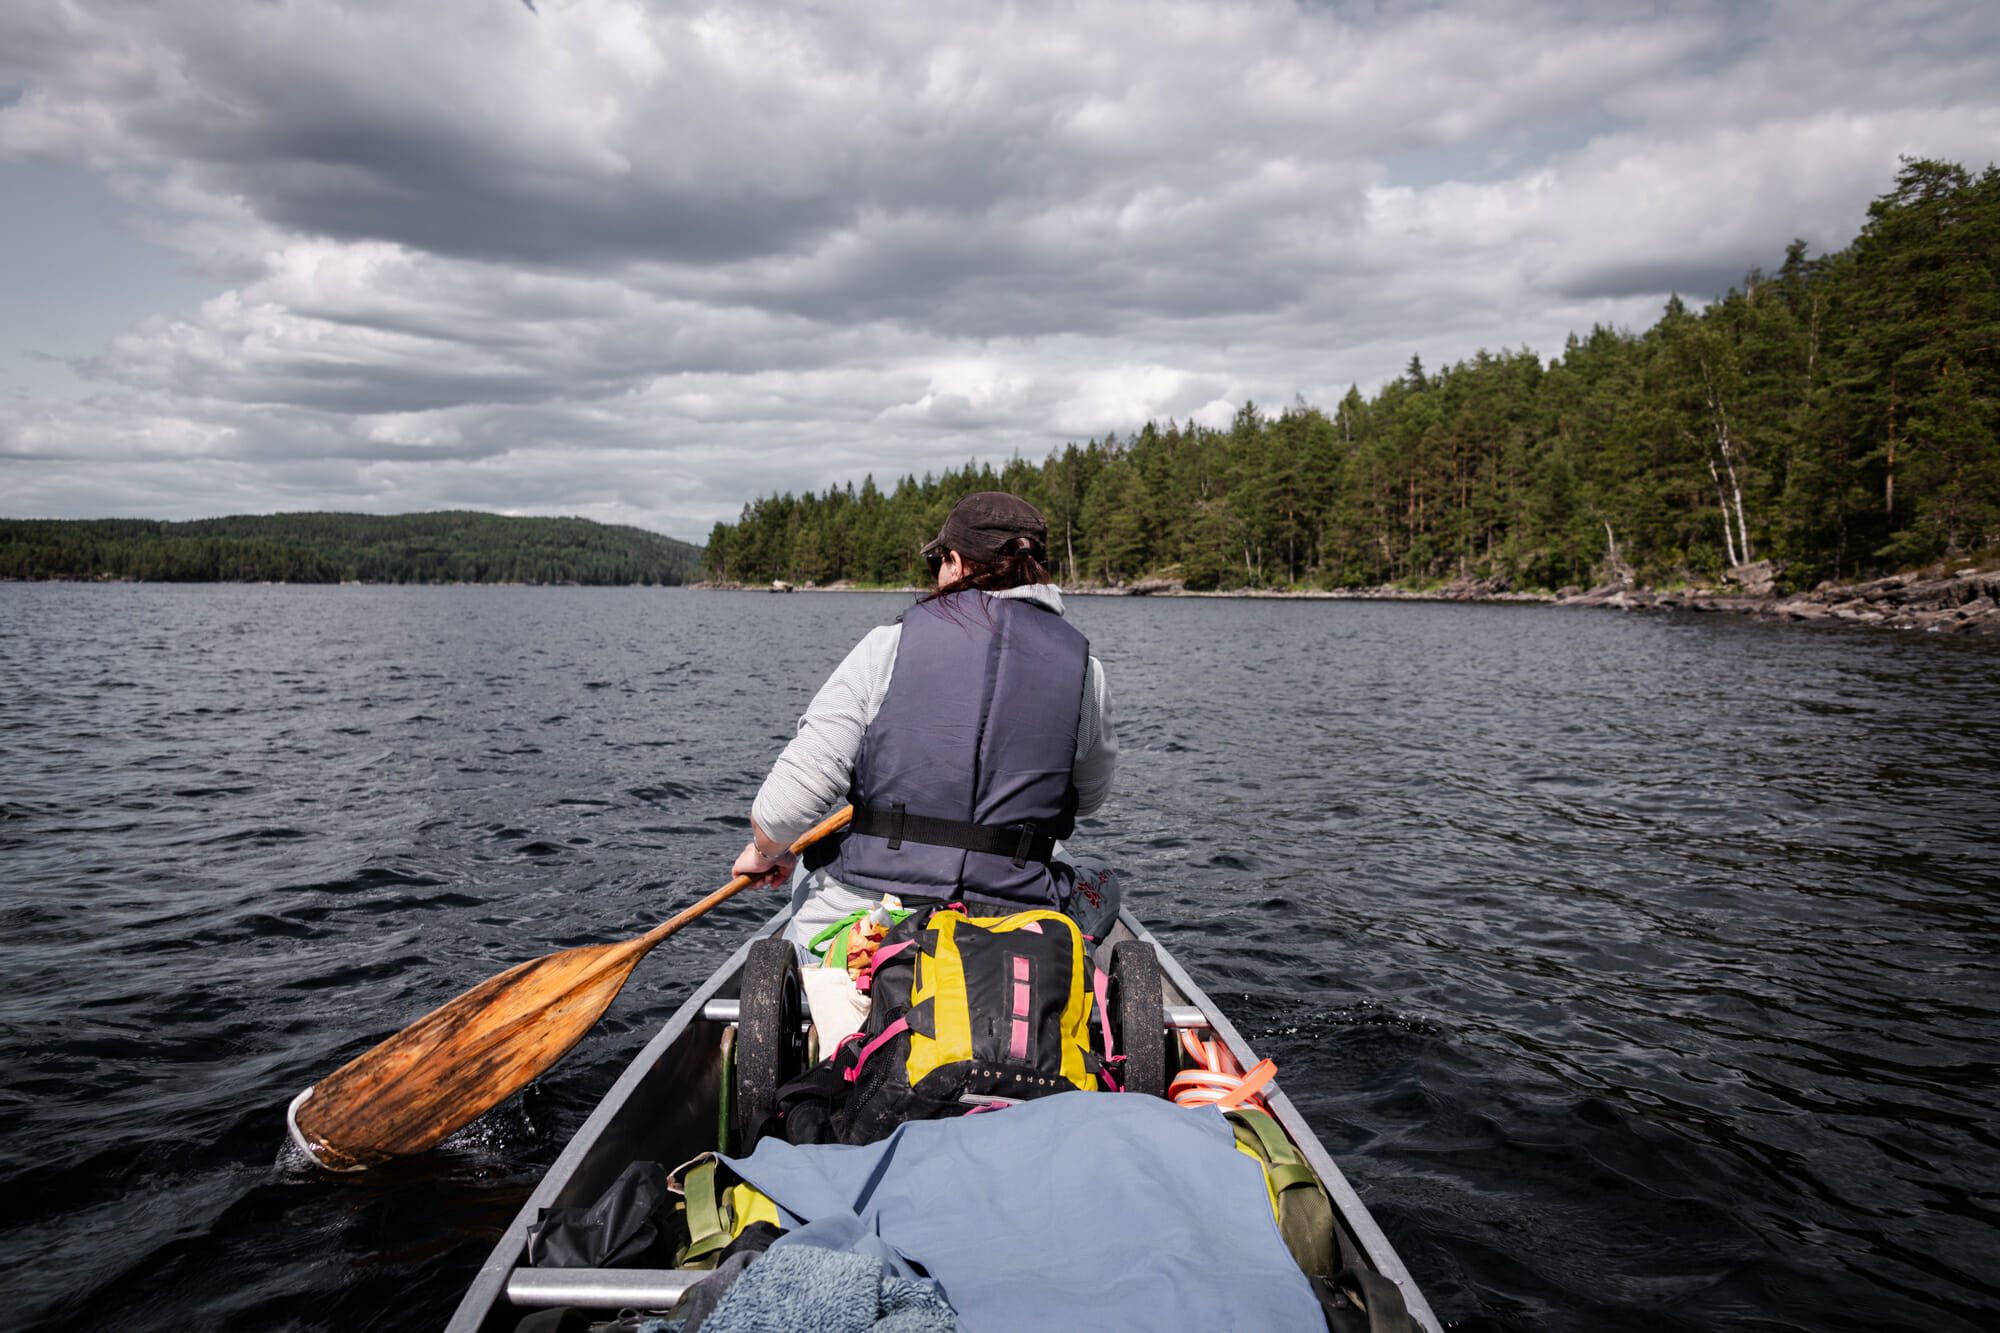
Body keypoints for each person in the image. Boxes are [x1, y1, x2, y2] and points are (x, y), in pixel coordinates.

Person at [731, 492, 1118, 946]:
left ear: (955, 562)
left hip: (871, 926)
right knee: (1097, 880)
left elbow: (784, 813)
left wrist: (764, 851)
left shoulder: (887, 645)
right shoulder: (1084, 669)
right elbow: (1088, 798)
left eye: (937, 560)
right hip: (1013, 926)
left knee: (805, 870)